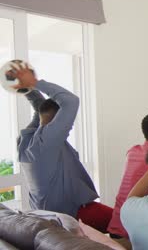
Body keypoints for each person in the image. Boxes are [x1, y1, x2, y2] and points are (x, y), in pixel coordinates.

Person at [12, 63, 112, 232]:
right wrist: (35, 82)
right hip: (71, 216)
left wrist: (26, 87)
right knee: (125, 223)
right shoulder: (47, 144)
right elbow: (71, 101)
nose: (68, 125)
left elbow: (40, 107)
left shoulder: (27, 142)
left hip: (50, 216)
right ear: (57, 120)